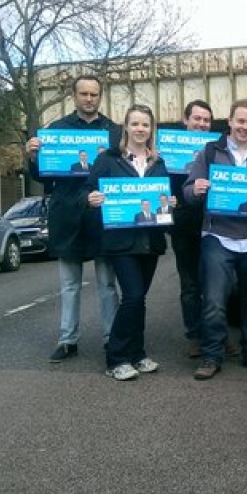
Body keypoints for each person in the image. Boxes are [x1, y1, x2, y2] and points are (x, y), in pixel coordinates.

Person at [184, 98, 247, 380]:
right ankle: (211, 356)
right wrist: (197, 189)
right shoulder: (210, 152)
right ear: (229, 121)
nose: (245, 127)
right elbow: (188, 191)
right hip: (218, 236)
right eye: (240, 121)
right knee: (214, 302)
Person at [25, 75, 120, 363]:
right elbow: (43, 177)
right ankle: (68, 340)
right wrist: (31, 157)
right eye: (84, 94)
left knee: (107, 285)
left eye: (94, 94)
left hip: (103, 216)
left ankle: (111, 339)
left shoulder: (115, 132)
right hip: (67, 215)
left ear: (100, 97)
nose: (89, 99)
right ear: (74, 96)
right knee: (69, 285)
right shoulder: (55, 130)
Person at [85, 104, 169, 381]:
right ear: (126, 127)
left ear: (151, 129)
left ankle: (138, 353)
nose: (140, 129)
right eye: (135, 124)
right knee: (132, 296)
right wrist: (92, 199)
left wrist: (172, 203)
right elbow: (89, 192)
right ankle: (116, 357)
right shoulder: (108, 159)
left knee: (139, 300)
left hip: (151, 242)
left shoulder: (159, 162)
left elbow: (165, 198)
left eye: (145, 125)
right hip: (121, 242)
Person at [167, 100, 221, 360]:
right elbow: (156, 184)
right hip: (185, 227)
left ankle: (216, 335)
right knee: (190, 286)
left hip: (215, 225)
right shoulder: (168, 152)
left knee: (217, 285)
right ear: (185, 121)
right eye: (197, 119)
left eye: (206, 120)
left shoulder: (217, 150)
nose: (201, 124)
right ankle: (196, 337)